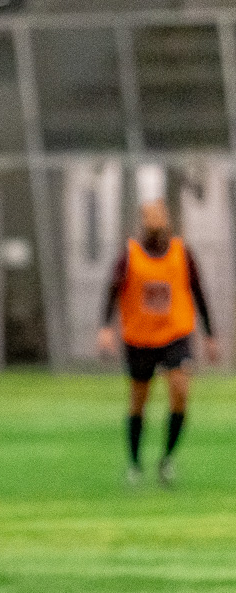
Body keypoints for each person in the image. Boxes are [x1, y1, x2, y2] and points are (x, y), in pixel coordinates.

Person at [96, 199, 220, 487]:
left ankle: (166, 460)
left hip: (175, 334)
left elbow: (198, 291)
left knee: (180, 392)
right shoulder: (131, 255)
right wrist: (105, 327)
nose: (154, 221)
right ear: (142, 221)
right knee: (139, 401)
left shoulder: (181, 253)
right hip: (140, 338)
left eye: (158, 215)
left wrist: (210, 334)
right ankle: (134, 463)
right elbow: (113, 289)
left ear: (167, 219)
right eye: (149, 216)